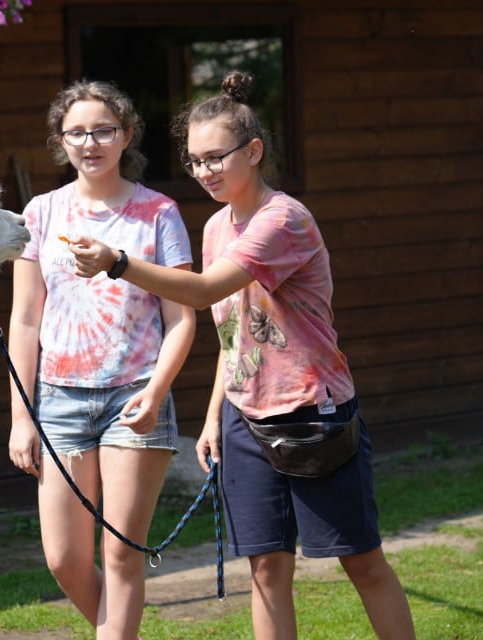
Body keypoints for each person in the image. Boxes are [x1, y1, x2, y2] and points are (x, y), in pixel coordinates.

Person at [68, 71, 416, 640]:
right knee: (265, 567)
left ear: (252, 152)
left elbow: (204, 292)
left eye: (215, 157)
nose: (204, 172)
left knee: (362, 560)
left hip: (311, 414)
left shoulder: (285, 220)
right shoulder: (213, 226)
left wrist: (118, 261)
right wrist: (214, 417)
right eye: (194, 161)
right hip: (242, 421)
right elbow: (233, 333)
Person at [7, 80, 197, 640]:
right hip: (59, 399)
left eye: (103, 131)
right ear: (60, 141)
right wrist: (22, 415)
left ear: (126, 136)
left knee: (120, 556)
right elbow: (24, 320)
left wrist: (157, 393)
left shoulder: (157, 213)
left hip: (134, 396)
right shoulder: (40, 213)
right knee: (64, 560)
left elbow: (182, 318)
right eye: (77, 133)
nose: (90, 143)